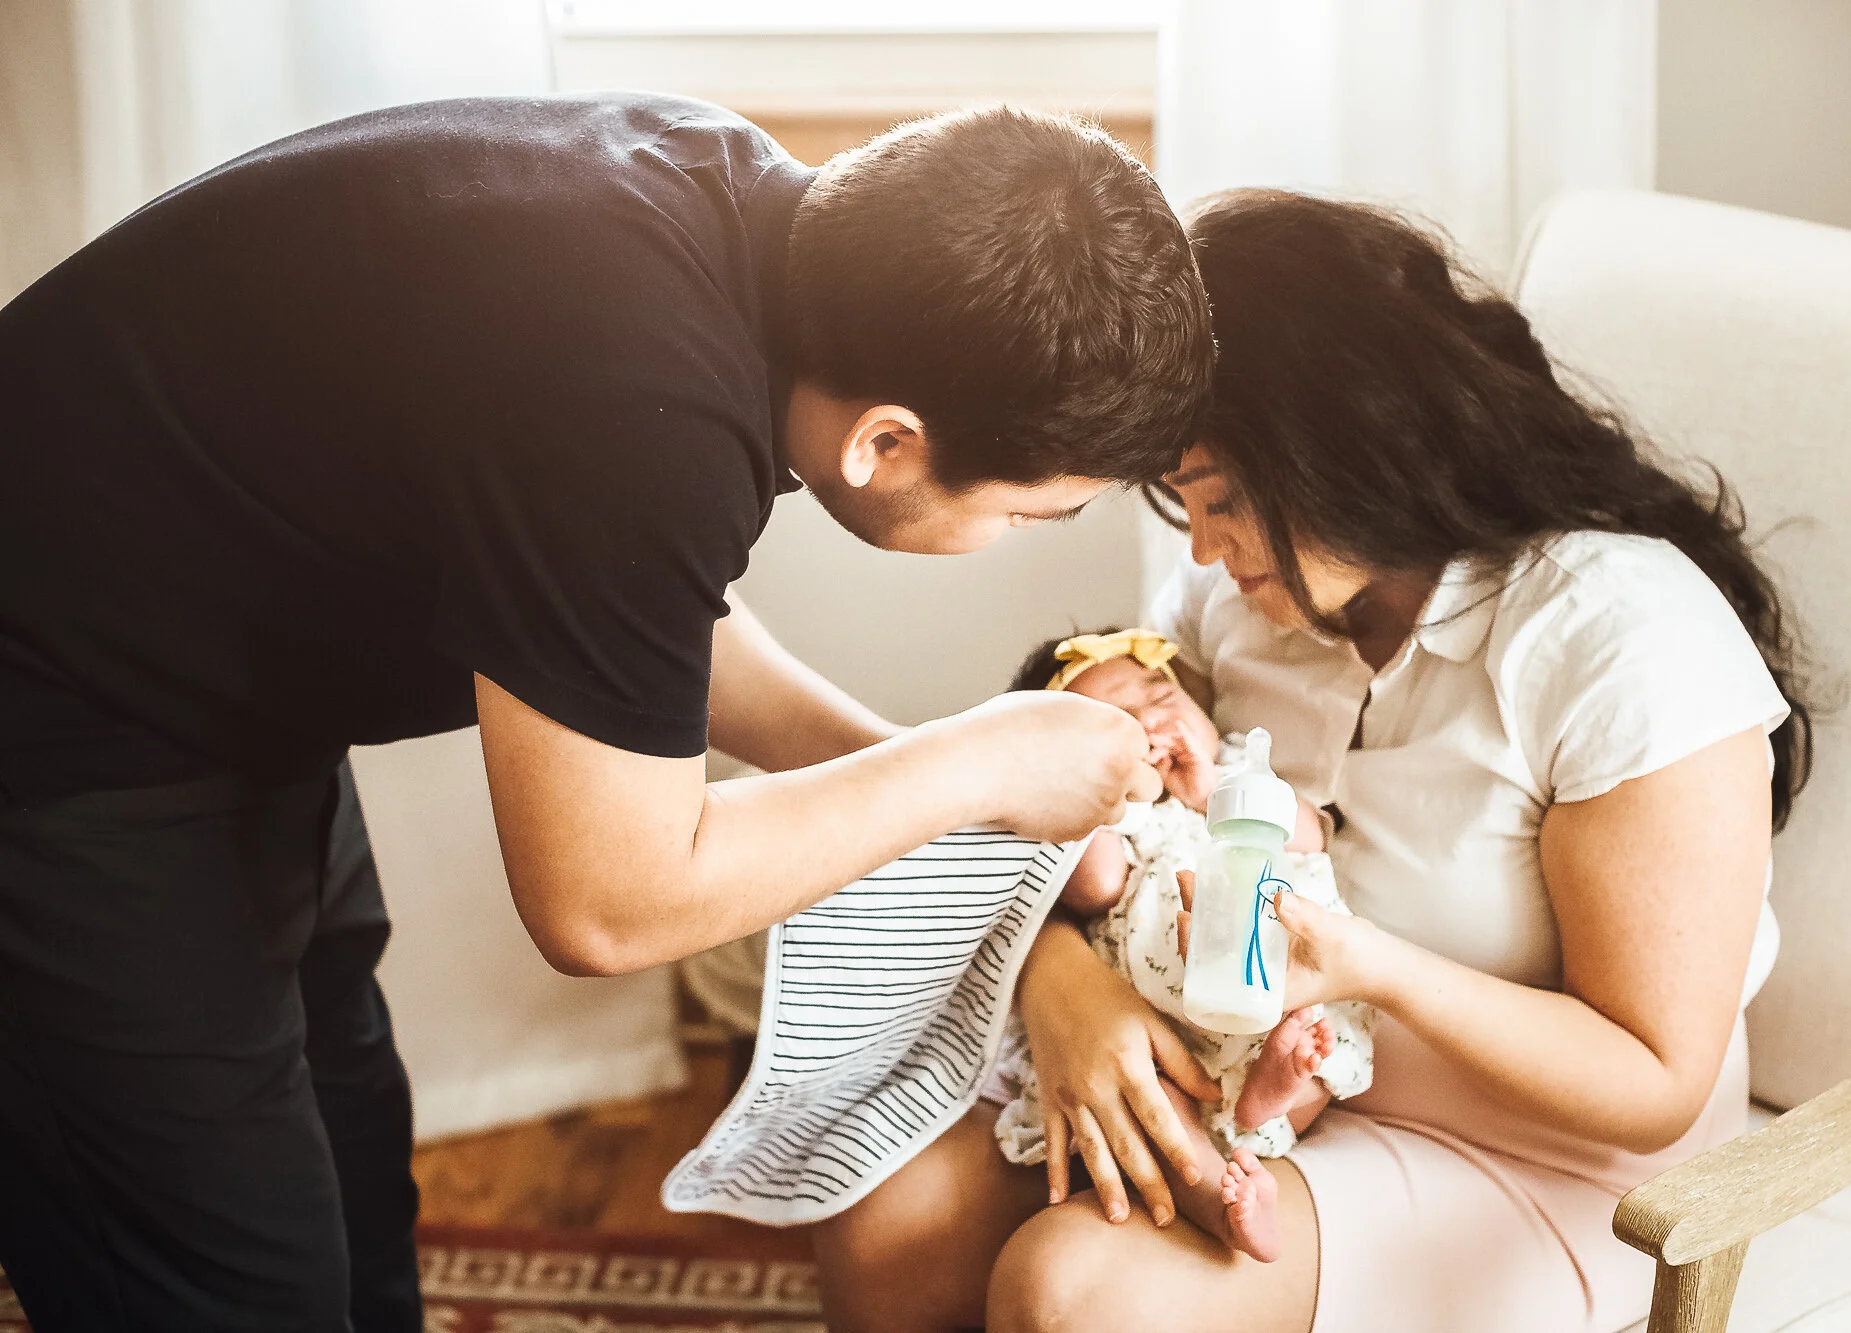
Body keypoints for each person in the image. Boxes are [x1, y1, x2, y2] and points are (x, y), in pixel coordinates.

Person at [0, 94, 1207, 1330]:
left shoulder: (735, 236)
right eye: (1023, 513)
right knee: (226, 1279)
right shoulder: (629, 389)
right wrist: (974, 766)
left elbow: (628, 621)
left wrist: (970, 801)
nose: (1014, 538)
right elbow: (607, 901)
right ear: (884, 444)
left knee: (345, 1157)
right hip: (64, 721)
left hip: (214, 680)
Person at [812, 190, 1816, 1333]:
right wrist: (1060, 986)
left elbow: (1650, 1081)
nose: (1201, 548)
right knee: (886, 1222)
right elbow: (1102, 818)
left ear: (1348, 447)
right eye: (1184, 503)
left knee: (1072, 1292)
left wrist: (1361, 966)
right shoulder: (1240, 601)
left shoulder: (1616, 637)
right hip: (1255, 1092)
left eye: (1225, 501)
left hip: (1552, 1167)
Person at [984, 629, 1373, 1263]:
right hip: (1163, 1034)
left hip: (1274, 981)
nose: (1152, 722)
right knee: (1152, 1103)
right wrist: (1099, 793)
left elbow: (1310, 836)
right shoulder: (1110, 823)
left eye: (1161, 696)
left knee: (1312, 1039)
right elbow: (1095, 887)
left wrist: (1210, 790)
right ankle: (1221, 1206)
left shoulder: (1242, 771)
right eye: (1116, 724)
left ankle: (1273, 1093)